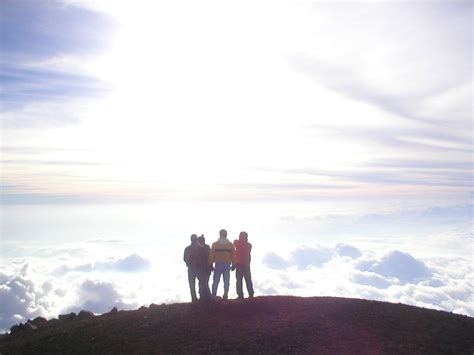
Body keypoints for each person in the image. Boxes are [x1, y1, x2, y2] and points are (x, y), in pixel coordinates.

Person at [209, 229, 235, 300]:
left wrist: (211, 264)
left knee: (216, 281)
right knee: (226, 281)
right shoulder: (230, 245)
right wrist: (234, 264)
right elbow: (233, 255)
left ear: (220, 234)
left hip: (218, 264)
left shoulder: (215, 244)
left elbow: (211, 255)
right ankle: (225, 296)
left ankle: (213, 296)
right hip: (227, 265)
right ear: (226, 235)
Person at [234, 231, 254, 299]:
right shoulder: (249, 245)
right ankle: (251, 294)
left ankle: (240, 295)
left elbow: (235, 242)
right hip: (246, 265)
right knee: (248, 280)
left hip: (239, 265)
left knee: (239, 281)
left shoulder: (237, 243)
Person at [183, 234, 200, 303]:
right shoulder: (199, 248)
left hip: (191, 268)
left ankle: (194, 299)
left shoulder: (187, 249)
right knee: (202, 283)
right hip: (198, 268)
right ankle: (200, 297)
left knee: (192, 285)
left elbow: (184, 259)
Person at [197, 235, 212, 300]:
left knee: (202, 282)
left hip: (201, 267)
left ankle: (203, 296)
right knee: (205, 282)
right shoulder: (207, 247)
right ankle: (206, 295)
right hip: (206, 267)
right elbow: (210, 257)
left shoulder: (197, 248)